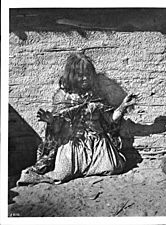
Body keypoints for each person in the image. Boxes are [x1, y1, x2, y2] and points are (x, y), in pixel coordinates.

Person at [17, 53, 137, 185]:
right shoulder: (63, 97)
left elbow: (110, 120)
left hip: (97, 144)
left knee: (114, 167)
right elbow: (57, 129)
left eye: (88, 74)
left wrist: (123, 106)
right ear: (72, 76)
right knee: (62, 174)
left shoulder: (96, 95)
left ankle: (92, 165)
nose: (85, 78)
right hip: (72, 144)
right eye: (80, 75)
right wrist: (51, 121)